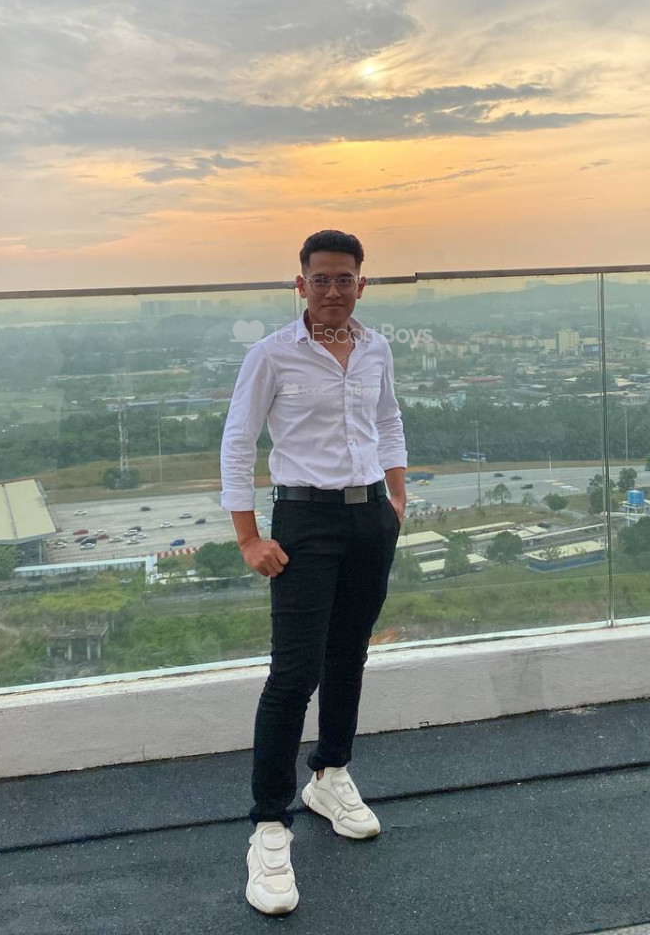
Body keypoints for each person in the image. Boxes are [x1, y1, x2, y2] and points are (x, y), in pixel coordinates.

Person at [220, 228, 408, 915]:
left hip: (369, 519)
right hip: (303, 520)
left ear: (362, 283)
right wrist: (248, 537)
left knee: (348, 654)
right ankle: (270, 826)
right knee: (294, 673)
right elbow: (238, 442)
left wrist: (396, 501)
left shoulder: (376, 348)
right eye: (320, 278)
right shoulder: (271, 354)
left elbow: (389, 421)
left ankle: (330, 773)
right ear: (301, 285)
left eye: (344, 278)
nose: (333, 289)